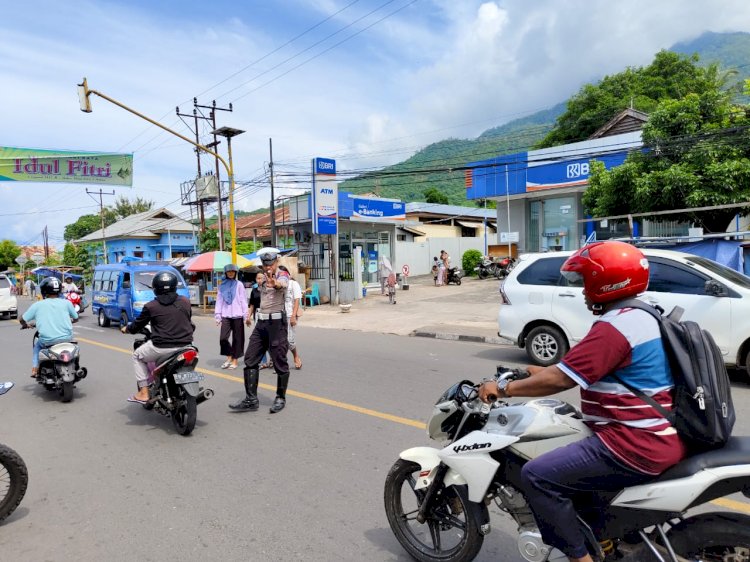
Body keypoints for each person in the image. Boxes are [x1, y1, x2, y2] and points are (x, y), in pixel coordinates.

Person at [477, 241, 687, 562]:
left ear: (608, 282)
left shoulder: (615, 326)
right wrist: (531, 372)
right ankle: (600, 539)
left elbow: (560, 380)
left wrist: (501, 389)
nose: (583, 290)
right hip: (657, 435)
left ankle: (579, 558)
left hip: (630, 443)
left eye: (587, 281)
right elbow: (571, 368)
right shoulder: (641, 315)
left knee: (537, 476)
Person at [120, 270, 195, 404]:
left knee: (137, 355)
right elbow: (188, 320)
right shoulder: (185, 301)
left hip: (161, 348)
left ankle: (143, 392)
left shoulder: (151, 306)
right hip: (186, 346)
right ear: (174, 286)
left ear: (155, 288)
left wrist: (127, 329)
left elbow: (137, 325)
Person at [231, 250, 290, 414]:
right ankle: (251, 399)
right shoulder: (262, 278)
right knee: (250, 359)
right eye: (265, 264)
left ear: (276, 262)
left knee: (279, 360)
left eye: (270, 264)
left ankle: (280, 398)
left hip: (277, 323)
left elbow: (283, 283)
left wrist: (276, 283)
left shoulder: (282, 274)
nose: (268, 267)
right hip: (261, 322)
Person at [19, 277, 78, 377]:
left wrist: (25, 325)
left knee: (37, 347)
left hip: (47, 341)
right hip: (67, 339)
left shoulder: (38, 305)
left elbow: (22, 318)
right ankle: (76, 367)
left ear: (43, 290)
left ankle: (35, 369)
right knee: (75, 349)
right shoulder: (67, 303)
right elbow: (76, 318)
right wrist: (70, 321)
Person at [214, 263, 248, 370]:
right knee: (223, 338)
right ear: (225, 273)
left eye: (233, 272)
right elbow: (219, 301)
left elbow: (243, 300)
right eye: (229, 272)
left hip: (237, 315)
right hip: (226, 315)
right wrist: (218, 315)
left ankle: (235, 360)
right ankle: (229, 356)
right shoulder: (221, 286)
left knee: (237, 339)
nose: (230, 273)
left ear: (235, 273)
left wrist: (245, 315)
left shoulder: (239, 285)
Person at [279, 265, 303, 370]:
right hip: (279, 315)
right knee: (278, 340)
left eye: (283, 273)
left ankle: (295, 356)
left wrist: (293, 316)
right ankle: (279, 362)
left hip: (289, 315)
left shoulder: (293, 284)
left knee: (289, 340)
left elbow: (297, 300)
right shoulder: (277, 285)